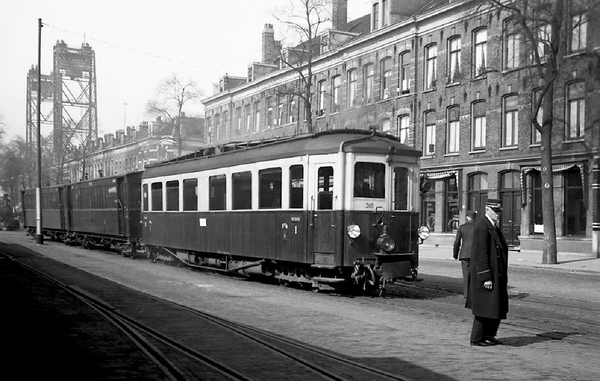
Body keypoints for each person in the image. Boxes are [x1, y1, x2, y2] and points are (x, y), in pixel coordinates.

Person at [466, 199, 508, 347]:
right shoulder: (482, 226)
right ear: (487, 210)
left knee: (494, 306)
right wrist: (486, 277)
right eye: (495, 211)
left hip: (496, 273)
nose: (498, 214)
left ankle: (489, 334)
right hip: (487, 275)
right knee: (484, 307)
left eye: (499, 211)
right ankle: (477, 338)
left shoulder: (492, 225)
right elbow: (480, 254)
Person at [453, 210, 476, 298]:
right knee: (474, 274)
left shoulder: (462, 227)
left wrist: (455, 254)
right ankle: (474, 293)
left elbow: (457, 242)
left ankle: (466, 294)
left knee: (466, 274)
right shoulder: (478, 227)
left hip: (464, 254)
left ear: (467, 217)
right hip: (475, 254)